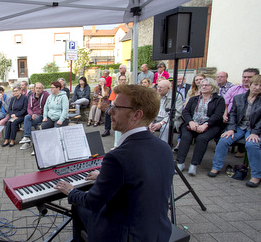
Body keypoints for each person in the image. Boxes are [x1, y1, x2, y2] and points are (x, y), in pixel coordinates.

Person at [54, 84, 174, 242]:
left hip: (125, 236)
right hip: (158, 231)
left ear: (136, 115)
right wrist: (104, 176)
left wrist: (70, 191)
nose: (109, 112)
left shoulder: (117, 157)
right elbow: (140, 180)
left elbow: (92, 202)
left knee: (78, 204)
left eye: (116, 107)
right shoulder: (164, 147)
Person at [208, 75, 261, 187]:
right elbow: (233, 114)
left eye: (260, 86)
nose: (258, 87)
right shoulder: (239, 98)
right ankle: (216, 167)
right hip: (239, 127)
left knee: (252, 145)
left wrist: (255, 133)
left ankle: (256, 175)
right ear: (250, 85)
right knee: (224, 139)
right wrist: (231, 129)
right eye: (256, 84)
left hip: (255, 128)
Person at [176, 78, 225, 176]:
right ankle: (180, 163)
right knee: (185, 137)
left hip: (210, 125)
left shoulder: (219, 100)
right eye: (202, 85)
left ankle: (194, 164)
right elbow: (186, 111)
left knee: (202, 139)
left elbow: (218, 115)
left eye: (207, 85)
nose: (203, 86)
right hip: (192, 124)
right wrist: (190, 122)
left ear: (213, 87)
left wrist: (206, 124)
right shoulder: (194, 99)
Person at [19, 82, 49, 150]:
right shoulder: (31, 96)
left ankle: (28, 143)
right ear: (34, 88)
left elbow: (47, 106)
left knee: (29, 123)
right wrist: (32, 114)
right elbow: (29, 108)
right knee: (27, 117)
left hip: (41, 115)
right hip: (33, 115)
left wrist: (38, 114)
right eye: (37, 88)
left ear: (42, 89)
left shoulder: (45, 95)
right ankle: (27, 137)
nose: (38, 89)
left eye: (39, 88)